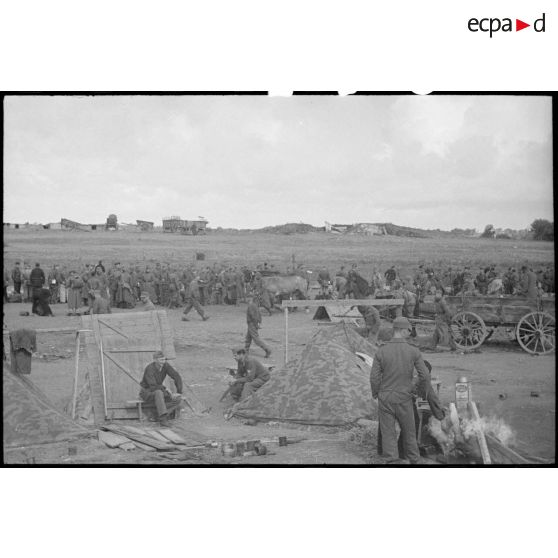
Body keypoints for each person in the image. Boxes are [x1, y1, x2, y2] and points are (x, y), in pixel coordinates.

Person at [370, 316, 431, 464]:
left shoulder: (381, 351)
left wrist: (376, 393)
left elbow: (374, 378)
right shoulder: (413, 351)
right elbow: (425, 376)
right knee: (409, 433)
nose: (409, 333)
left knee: (388, 434)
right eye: (408, 330)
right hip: (404, 397)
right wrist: (419, 392)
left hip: (386, 398)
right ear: (403, 331)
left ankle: (391, 461)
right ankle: (414, 460)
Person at [139, 351, 184, 427]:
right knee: (158, 392)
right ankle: (163, 420)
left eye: (164, 359)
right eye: (161, 360)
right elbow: (153, 386)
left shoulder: (165, 366)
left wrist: (179, 391)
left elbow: (176, 376)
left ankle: (157, 414)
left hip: (159, 390)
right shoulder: (149, 368)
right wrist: (165, 388)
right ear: (155, 360)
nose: (163, 362)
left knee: (178, 399)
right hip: (147, 392)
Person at [245, 293, 271, 358]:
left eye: (247, 298)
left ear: (250, 298)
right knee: (248, 337)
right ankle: (246, 351)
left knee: (256, 339)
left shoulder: (251, 306)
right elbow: (259, 315)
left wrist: (256, 324)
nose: (246, 299)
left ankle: (267, 349)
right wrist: (259, 322)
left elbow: (253, 316)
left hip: (252, 323)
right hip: (252, 323)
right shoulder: (255, 305)